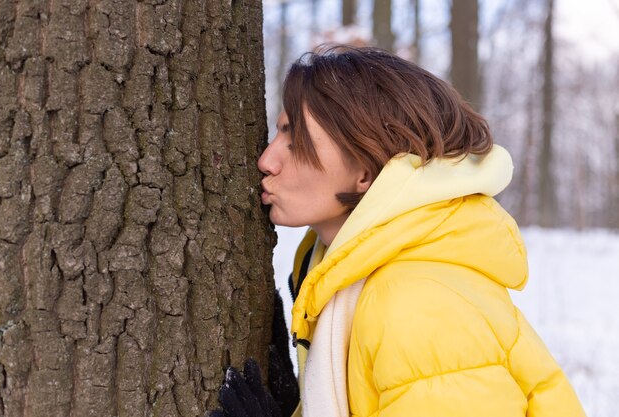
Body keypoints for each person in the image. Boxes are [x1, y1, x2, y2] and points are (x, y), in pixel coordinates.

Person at [212, 45, 587, 417]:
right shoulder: (360, 280)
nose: (266, 160)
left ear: (366, 169)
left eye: (295, 140)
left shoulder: (416, 305)